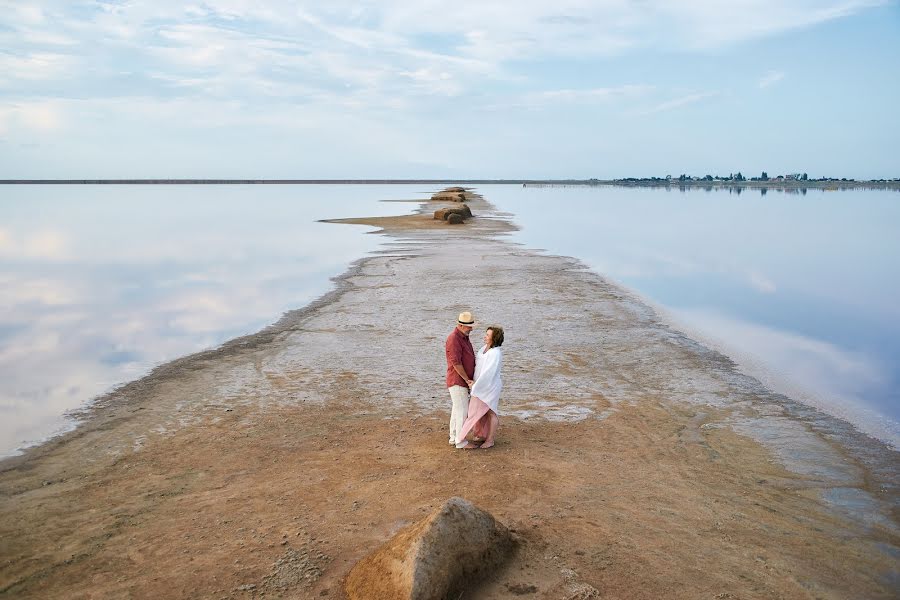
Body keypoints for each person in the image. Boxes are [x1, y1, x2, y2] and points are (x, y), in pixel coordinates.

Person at [457, 326, 504, 449]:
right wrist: (472, 382)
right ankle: (480, 434)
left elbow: (489, 373)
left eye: (488, 335)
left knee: (491, 412)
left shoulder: (495, 353)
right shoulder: (484, 349)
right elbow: (478, 368)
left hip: (490, 386)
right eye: (486, 334)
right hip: (479, 385)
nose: (485, 336)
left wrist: (475, 385)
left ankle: (490, 440)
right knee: (477, 412)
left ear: (494, 338)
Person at [445, 311, 476, 449]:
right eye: (469, 326)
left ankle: (453, 437)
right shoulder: (454, 339)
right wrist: (468, 380)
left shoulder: (463, 337)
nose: (471, 328)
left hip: (460, 381)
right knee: (462, 411)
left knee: (457, 409)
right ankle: (460, 441)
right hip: (458, 381)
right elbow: (456, 363)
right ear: (461, 325)